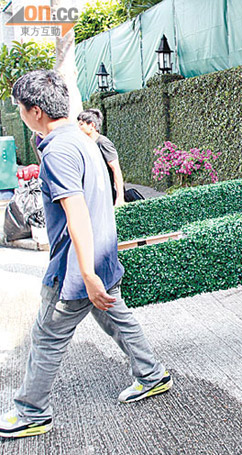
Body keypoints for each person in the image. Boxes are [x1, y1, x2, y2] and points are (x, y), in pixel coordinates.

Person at [0, 70, 172, 439]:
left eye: (20, 108)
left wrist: (88, 275)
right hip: (101, 259)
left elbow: (76, 210)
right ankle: (151, 373)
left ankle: (31, 412)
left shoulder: (59, 151)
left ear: (34, 111)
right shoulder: (81, 139)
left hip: (77, 270)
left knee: (47, 336)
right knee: (117, 318)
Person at [77, 108, 125, 207]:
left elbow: (116, 169)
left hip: (106, 196)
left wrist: (120, 197)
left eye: (81, 124)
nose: (78, 127)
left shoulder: (103, 143)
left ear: (92, 125)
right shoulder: (86, 144)